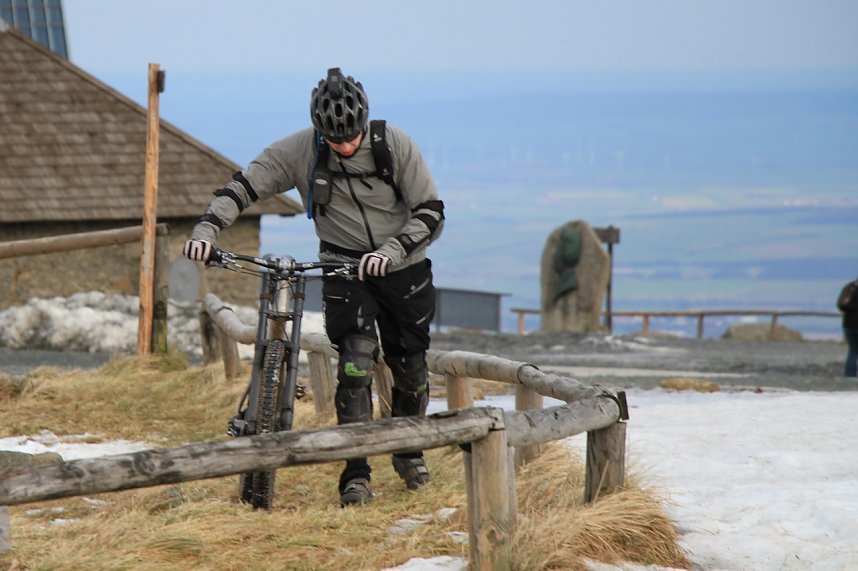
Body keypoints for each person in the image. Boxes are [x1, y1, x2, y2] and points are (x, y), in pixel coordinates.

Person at [183, 68, 444, 506]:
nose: (344, 146)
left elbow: (431, 211)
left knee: (410, 367)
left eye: (351, 137)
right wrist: (207, 229)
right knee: (356, 364)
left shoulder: (392, 144)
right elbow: (245, 185)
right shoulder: (301, 150)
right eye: (334, 139)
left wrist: (392, 252)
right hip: (343, 269)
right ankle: (355, 472)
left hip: (403, 269)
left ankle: (408, 450)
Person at [837, 276, 858, 378]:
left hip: (849, 324)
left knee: (853, 351)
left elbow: (841, 305)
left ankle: (849, 375)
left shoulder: (849, 288)